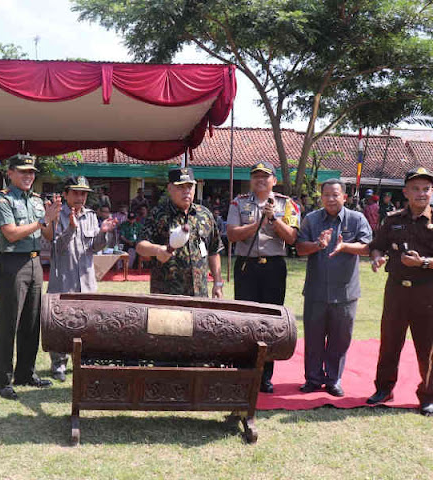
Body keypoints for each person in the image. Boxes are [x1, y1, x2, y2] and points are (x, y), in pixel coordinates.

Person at [0, 154, 61, 401]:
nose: (28, 176)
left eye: (31, 172)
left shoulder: (37, 200)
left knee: (32, 322)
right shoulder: (3, 199)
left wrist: (51, 219)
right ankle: (2, 380)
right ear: (10, 173)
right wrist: (42, 220)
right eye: (23, 171)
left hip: (34, 262)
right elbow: (10, 234)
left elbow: (50, 236)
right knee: (9, 322)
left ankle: (25, 373)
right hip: (13, 262)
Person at [226, 161, 300, 393]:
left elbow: (292, 238)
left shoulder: (287, 204)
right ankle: (244, 371)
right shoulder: (238, 203)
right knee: (245, 319)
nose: (260, 180)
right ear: (251, 180)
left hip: (273, 267)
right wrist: (257, 224)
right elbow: (231, 234)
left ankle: (265, 375)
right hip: (246, 266)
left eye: (265, 176)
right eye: (256, 176)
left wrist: (274, 220)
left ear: (274, 180)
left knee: (270, 320)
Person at [295, 179, 372, 396]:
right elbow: (299, 248)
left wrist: (346, 246)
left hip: (345, 292)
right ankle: (312, 378)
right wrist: (317, 245)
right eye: (326, 194)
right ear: (321, 197)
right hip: (316, 291)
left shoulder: (356, 219)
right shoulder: (311, 220)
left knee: (340, 338)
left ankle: (333, 379)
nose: (330, 198)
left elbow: (368, 247)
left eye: (335, 194)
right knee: (313, 337)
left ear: (344, 197)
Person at [366, 167, 433, 417]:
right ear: (405, 192)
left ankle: (428, 396)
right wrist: (376, 258)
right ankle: (383, 389)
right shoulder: (393, 220)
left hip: (427, 292)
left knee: (427, 347)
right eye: (415, 188)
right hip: (396, 290)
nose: (421, 193)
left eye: (426, 188)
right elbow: (376, 246)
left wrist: (423, 263)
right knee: (390, 342)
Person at [43, 176, 117, 381]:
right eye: (75, 192)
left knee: (86, 324)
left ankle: (82, 361)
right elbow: (55, 248)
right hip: (63, 280)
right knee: (60, 324)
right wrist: (71, 229)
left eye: (83, 193)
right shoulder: (56, 215)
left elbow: (95, 247)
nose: (80, 197)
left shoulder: (91, 216)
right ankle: (58, 364)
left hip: (86, 280)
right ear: (65, 194)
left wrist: (103, 233)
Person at [136, 167, 224, 298]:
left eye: (190, 186)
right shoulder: (158, 214)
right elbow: (140, 246)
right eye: (181, 187)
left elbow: (214, 250)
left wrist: (217, 283)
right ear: (170, 188)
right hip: (167, 293)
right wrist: (158, 250)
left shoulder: (204, 215)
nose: (186, 191)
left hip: (199, 293)